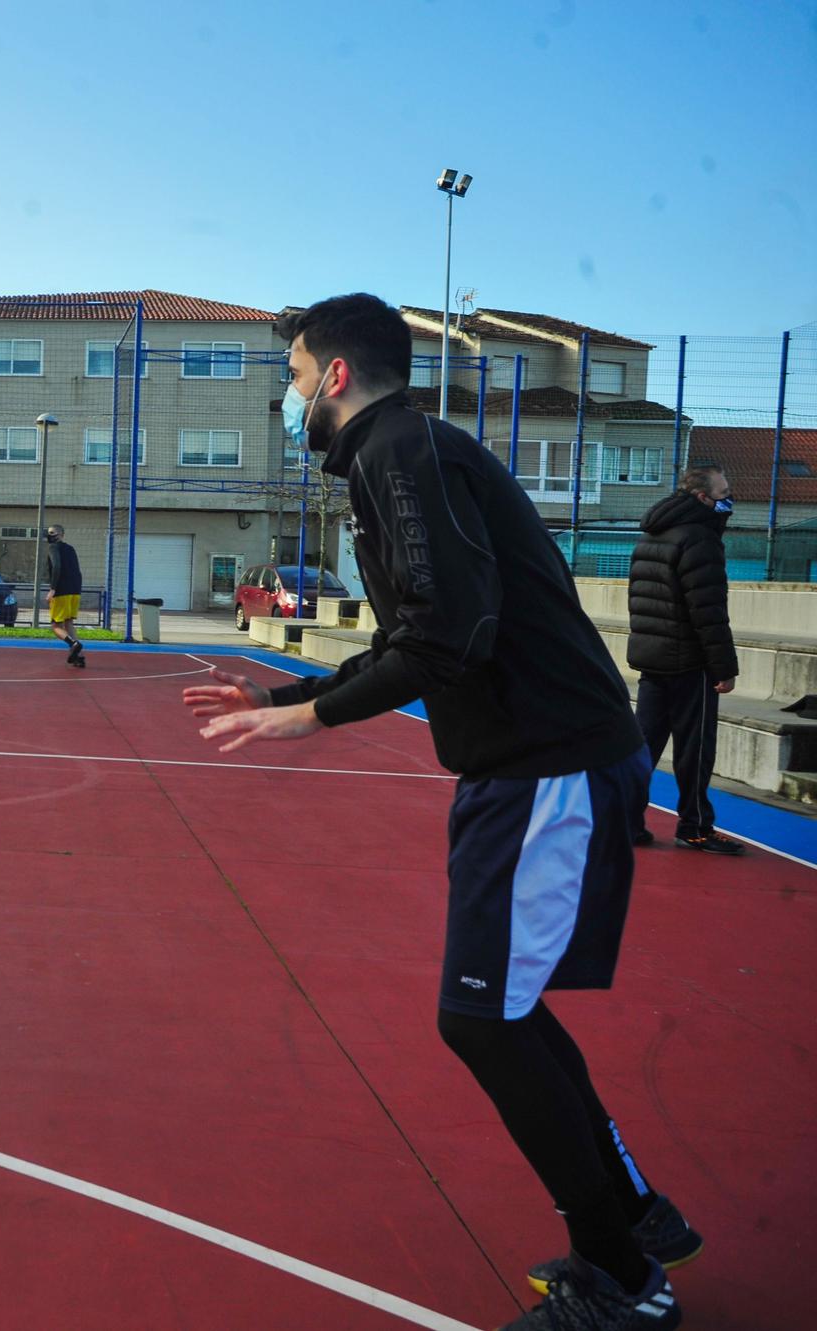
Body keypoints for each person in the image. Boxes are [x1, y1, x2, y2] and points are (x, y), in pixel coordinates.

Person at [185, 295, 694, 1330]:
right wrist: (283, 696)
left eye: (290, 376)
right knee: (499, 1009)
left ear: (332, 376)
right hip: (525, 767)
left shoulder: (399, 454)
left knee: (480, 1017)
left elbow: (447, 635)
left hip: (545, 767)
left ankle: (624, 1281)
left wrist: (314, 716)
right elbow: (425, 628)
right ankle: (632, 1215)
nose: (287, 400)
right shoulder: (400, 455)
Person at [626, 467, 743, 855]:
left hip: (653, 658)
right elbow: (708, 612)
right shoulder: (699, 539)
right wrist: (724, 668)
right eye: (724, 492)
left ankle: (625, 821)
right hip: (689, 662)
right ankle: (695, 827)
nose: (729, 499)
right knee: (695, 750)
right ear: (702, 498)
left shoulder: (651, 533)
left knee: (643, 746)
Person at [44, 525, 85, 667]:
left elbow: (57, 566)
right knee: (69, 623)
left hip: (62, 591)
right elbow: (77, 570)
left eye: (53, 533)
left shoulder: (53, 548)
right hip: (75, 590)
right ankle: (79, 657)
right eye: (49, 533)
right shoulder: (71, 549)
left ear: (61, 534)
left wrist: (53, 589)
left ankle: (74, 644)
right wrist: (76, 588)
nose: (50, 535)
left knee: (55, 626)